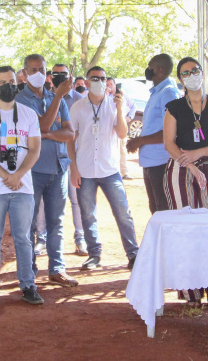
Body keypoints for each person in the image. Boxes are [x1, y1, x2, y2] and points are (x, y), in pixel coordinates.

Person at [162, 57, 208, 307]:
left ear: (202, 72)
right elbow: (169, 143)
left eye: (195, 70)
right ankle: (190, 292)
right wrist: (190, 163)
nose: (192, 75)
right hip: (180, 169)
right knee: (185, 229)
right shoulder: (173, 108)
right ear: (180, 79)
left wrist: (199, 154)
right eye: (186, 73)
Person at [0, 66, 43, 306]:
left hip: (22, 187)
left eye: (11, 81)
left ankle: (28, 285)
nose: (8, 86)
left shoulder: (28, 114)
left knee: (24, 238)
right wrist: (6, 176)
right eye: (2, 82)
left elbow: (35, 149)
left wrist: (18, 175)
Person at [68, 66, 139, 271]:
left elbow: (122, 134)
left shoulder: (114, 105)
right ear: (87, 82)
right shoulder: (78, 107)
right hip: (85, 170)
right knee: (88, 215)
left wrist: (120, 108)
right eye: (95, 78)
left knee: (123, 213)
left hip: (110, 170)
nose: (100, 82)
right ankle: (94, 255)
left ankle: (133, 254)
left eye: (103, 78)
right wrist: (73, 168)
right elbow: (70, 140)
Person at [15, 54, 77, 287]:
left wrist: (47, 134)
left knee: (56, 222)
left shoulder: (53, 97)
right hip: (32, 170)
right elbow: (40, 125)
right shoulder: (21, 100)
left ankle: (57, 269)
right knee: (29, 223)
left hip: (58, 168)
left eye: (41, 69)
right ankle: (28, 272)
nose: (38, 74)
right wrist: (59, 97)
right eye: (33, 70)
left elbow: (69, 133)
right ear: (24, 73)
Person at [127, 54, 181, 213]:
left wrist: (140, 141)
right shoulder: (157, 92)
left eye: (150, 67)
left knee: (163, 209)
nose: (147, 70)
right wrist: (139, 140)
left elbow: (171, 130)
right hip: (151, 162)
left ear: (159, 70)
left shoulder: (168, 93)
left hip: (162, 162)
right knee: (155, 207)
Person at [52, 64, 86, 254]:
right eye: (55, 74)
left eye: (63, 74)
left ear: (69, 76)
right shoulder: (46, 98)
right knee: (50, 202)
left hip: (74, 157)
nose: (59, 77)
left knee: (76, 199)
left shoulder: (80, 100)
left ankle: (80, 238)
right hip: (51, 156)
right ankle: (42, 238)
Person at [107, 77, 137, 179]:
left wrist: (130, 117)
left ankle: (124, 172)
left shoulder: (122, 95)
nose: (109, 86)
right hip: (109, 126)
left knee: (122, 149)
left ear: (115, 85)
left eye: (111, 84)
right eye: (107, 85)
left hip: (121, 124)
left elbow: (133, 106)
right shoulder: (104, 96)